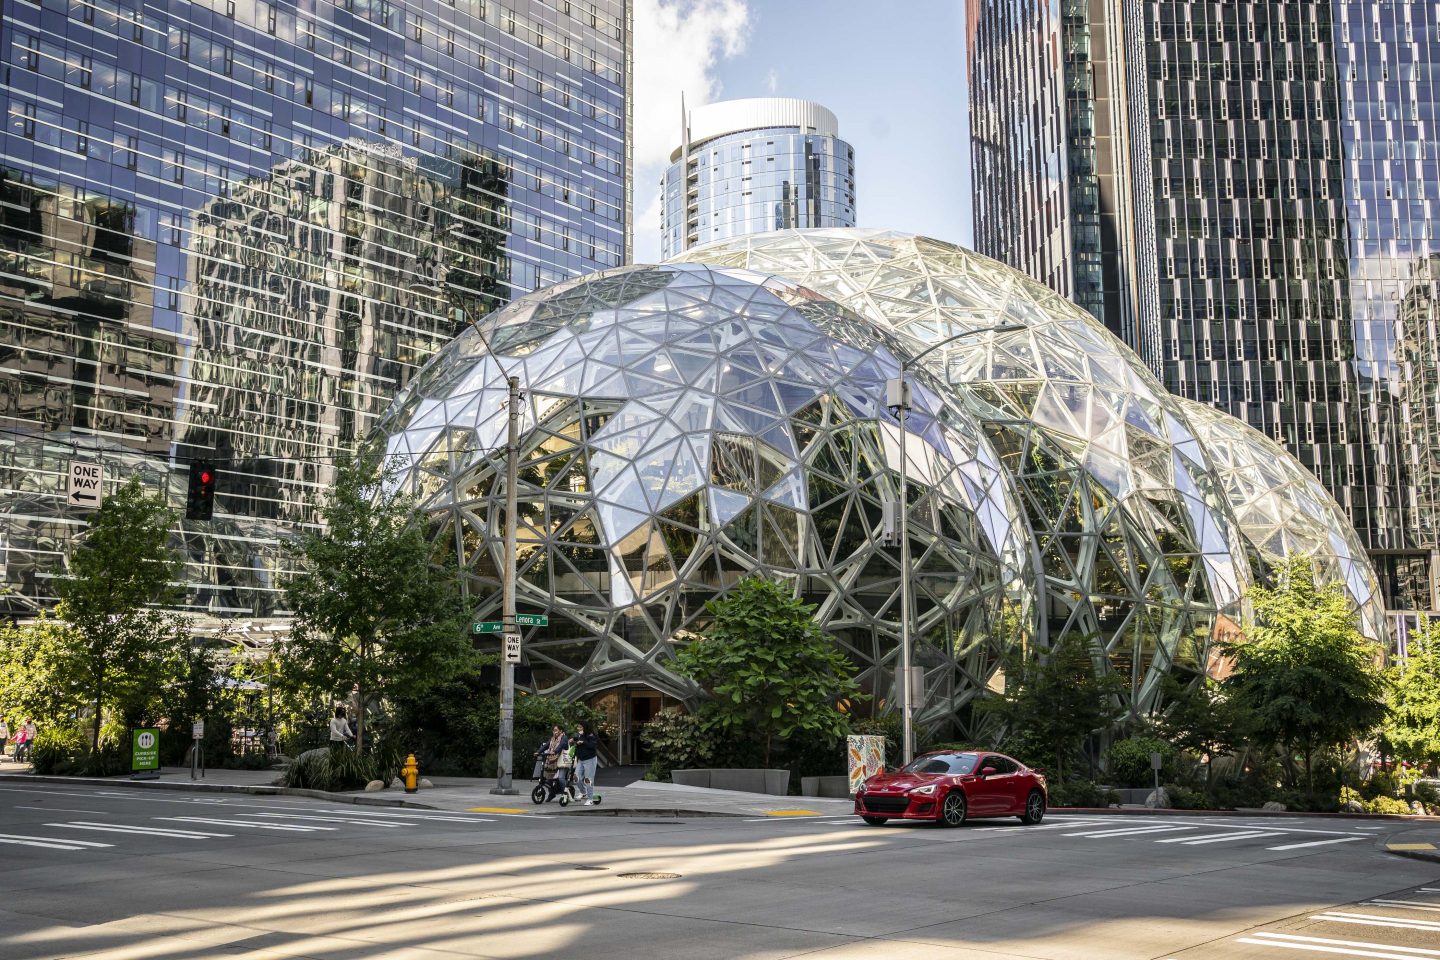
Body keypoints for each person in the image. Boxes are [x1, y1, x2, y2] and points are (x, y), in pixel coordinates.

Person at [571, 721, 599, 805]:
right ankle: (583, 792)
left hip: (590, 760)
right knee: (576, 777)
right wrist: (572, 740)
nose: (578, 729)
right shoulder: (579, 735)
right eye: (578, 727)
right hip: (581, 760)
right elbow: (575, 739)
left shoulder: (591, 735)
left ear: (585, 728)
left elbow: (592, 746)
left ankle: (590, 799)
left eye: (580, 727)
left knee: (588, 779)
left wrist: (583, 742)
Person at [542, 724, 569, 792]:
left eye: (556, 730)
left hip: (562, 761)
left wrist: (555, 751)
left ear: (561, 731)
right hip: (553, 761)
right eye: (553, 730)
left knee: (561, 778)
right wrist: (538, 752)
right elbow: (546, 746)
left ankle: (566, 793)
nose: (554, 732)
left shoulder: (564, 737)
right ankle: (552, 793)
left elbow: (562, 745)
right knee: (549, 778)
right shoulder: (552, 739)